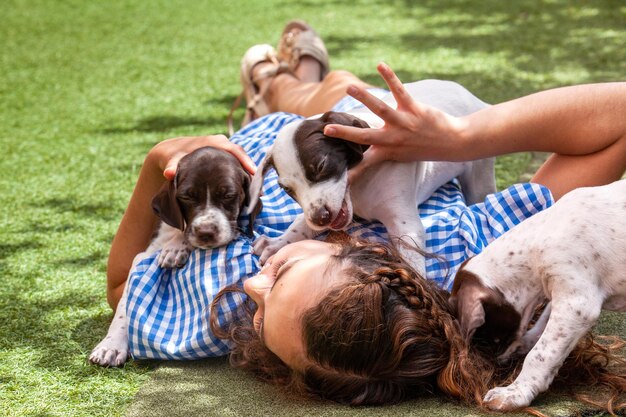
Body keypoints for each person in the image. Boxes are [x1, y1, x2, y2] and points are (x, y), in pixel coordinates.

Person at [105, 20, 625, 409]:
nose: (251, 287)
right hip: (352, 137)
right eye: (280, 274)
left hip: (247, 154)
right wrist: (463, 136)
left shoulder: (228, 298)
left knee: (324, 92)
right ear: (366, 251)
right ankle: (293, 81)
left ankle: (274, 82)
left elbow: (125, 285)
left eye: (260, 321)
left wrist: (162, 159)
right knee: (339, 89)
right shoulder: (478, 256)